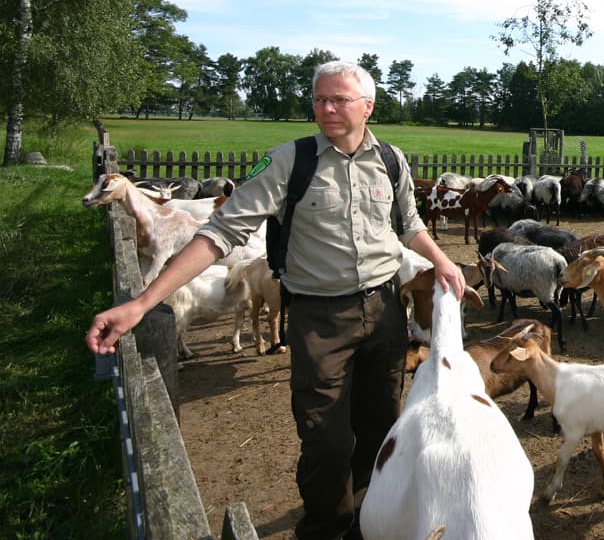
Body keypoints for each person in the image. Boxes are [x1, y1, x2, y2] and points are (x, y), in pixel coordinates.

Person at [86, 60, 466, 540]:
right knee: (326, 441)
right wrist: (142, 302)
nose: (325, 108)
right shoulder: (290, 161)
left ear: (368, 106)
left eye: (339, 99)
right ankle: (326, 529)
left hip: (385, 312)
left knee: (380, 432)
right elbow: (220, 233)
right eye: (319, 99)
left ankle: (369, 523)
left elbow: (409, 223)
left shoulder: (390, 160)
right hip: (319, 319)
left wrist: (443, 261)